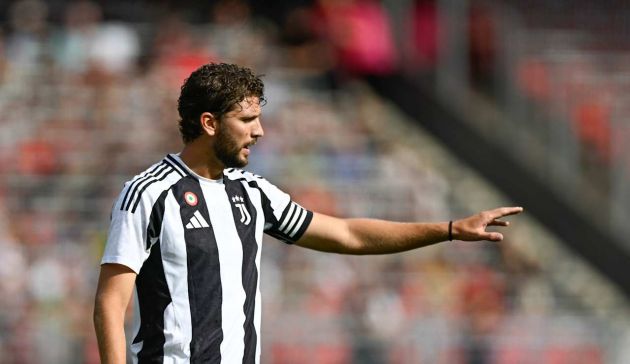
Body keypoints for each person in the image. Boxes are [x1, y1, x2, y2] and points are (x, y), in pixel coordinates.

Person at [93, 62, 523, 364]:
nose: (259, 131)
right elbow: (111, 303)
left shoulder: (251, 193)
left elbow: (348, 235)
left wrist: (448, 229)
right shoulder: (149, 193)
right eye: (247, 120)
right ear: (209, 123)